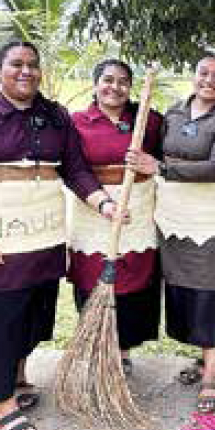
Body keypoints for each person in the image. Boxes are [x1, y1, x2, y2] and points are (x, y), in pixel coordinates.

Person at [0, 41, 113, 430]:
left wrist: (102, 203)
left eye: (33, 65)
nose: (26, 71)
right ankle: (1, 403)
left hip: (44, 237)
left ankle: (18, 379)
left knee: (32, 316)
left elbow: (75, 168)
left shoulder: (54, 116)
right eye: (16, 64)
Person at [126, 54, 215, 413]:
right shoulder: (174, 114)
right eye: (203, 73)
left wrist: (162, 167)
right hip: (176, 218)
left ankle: (212, 374)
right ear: (193, 75)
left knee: (214, 289)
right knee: (185, 290)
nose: (209, 80)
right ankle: (201, 358)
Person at [68, 59, 164, 372]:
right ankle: (97, 347)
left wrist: (154, 163)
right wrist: (103, 204)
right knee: (94, 279)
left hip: (137, 211)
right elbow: (74, 169)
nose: (115, 87)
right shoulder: (77, 122)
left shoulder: (147, 121)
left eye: (123, 81)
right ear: (95, 84)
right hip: (94, 210)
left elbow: (169, 155)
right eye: (107, 80)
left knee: (133, 280)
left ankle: (122, 351)